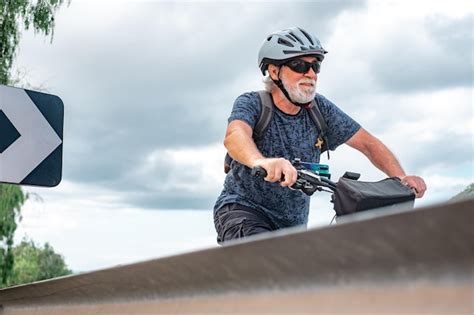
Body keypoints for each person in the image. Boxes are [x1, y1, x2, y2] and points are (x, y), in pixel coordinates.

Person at [213, 27, 426, 243]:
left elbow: (368, 144)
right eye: (300, 66)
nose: (311, 74)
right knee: (263, 257)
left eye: (315, 66)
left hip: (292, 226)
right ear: (274, 71)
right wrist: (261, 161)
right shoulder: (253, 103)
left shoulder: (319, 109)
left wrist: (400, 178)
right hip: (243, 211)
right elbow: (235, 135)